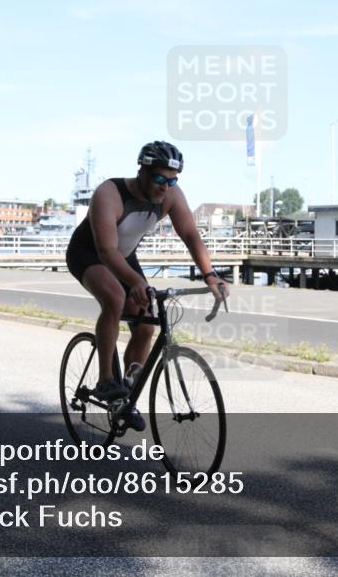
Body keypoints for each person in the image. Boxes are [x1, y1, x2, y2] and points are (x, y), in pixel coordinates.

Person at [65, 141, 228, 430]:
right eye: (159, 178)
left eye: (172, 180)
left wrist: (210, 276)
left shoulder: (171, 196)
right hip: (90, 253)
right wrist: (136, 281)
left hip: (124, 256)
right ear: (142, 170)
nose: (165, 186)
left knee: (146, 322)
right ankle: (105, 380)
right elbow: (106, 251)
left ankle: (125, 396)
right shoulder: (109, 193)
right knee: (115, 297)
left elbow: (190, 234)